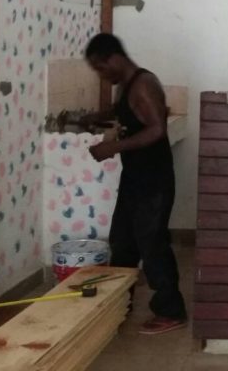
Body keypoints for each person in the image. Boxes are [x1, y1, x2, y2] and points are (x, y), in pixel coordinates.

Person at [84, 33, 187, 334]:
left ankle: (171, 311)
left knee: (152, 245)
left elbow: (156, 129)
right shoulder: (126, 84)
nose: (101, 75)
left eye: (101, 68)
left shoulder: (144, 84)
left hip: (153, 180)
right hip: (135, 178)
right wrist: (95, 116)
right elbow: (124, 111)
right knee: (123, 242)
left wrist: (111, 148)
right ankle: (120, 303)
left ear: (114, 58)